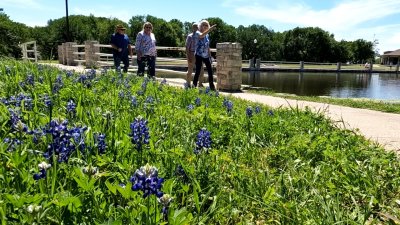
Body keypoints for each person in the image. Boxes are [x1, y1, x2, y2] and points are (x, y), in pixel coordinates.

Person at [192, 20, 216, 90]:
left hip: (206, 56)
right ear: (200, 26)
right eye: (203, 25)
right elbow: (202, 36)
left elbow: (207, 46)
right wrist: (210, 29)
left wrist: (210, 55)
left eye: (206, 25)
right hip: (199, 55)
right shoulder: (197, 32)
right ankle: (194, 85)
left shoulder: (207, 35)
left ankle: (212, 87)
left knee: (210, 71)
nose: (205, 26)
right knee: (198, 71)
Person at [185, 23, 204, 87]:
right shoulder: (190, 36)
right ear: (192, 28)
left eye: (197, 27)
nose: (196, 28)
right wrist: (188, 57)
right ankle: (188, 84)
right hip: (192, 54)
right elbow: (187, 47)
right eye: (195, 27)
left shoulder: (199, 36)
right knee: (190, 69)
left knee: (201, 70)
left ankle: (200, 84)